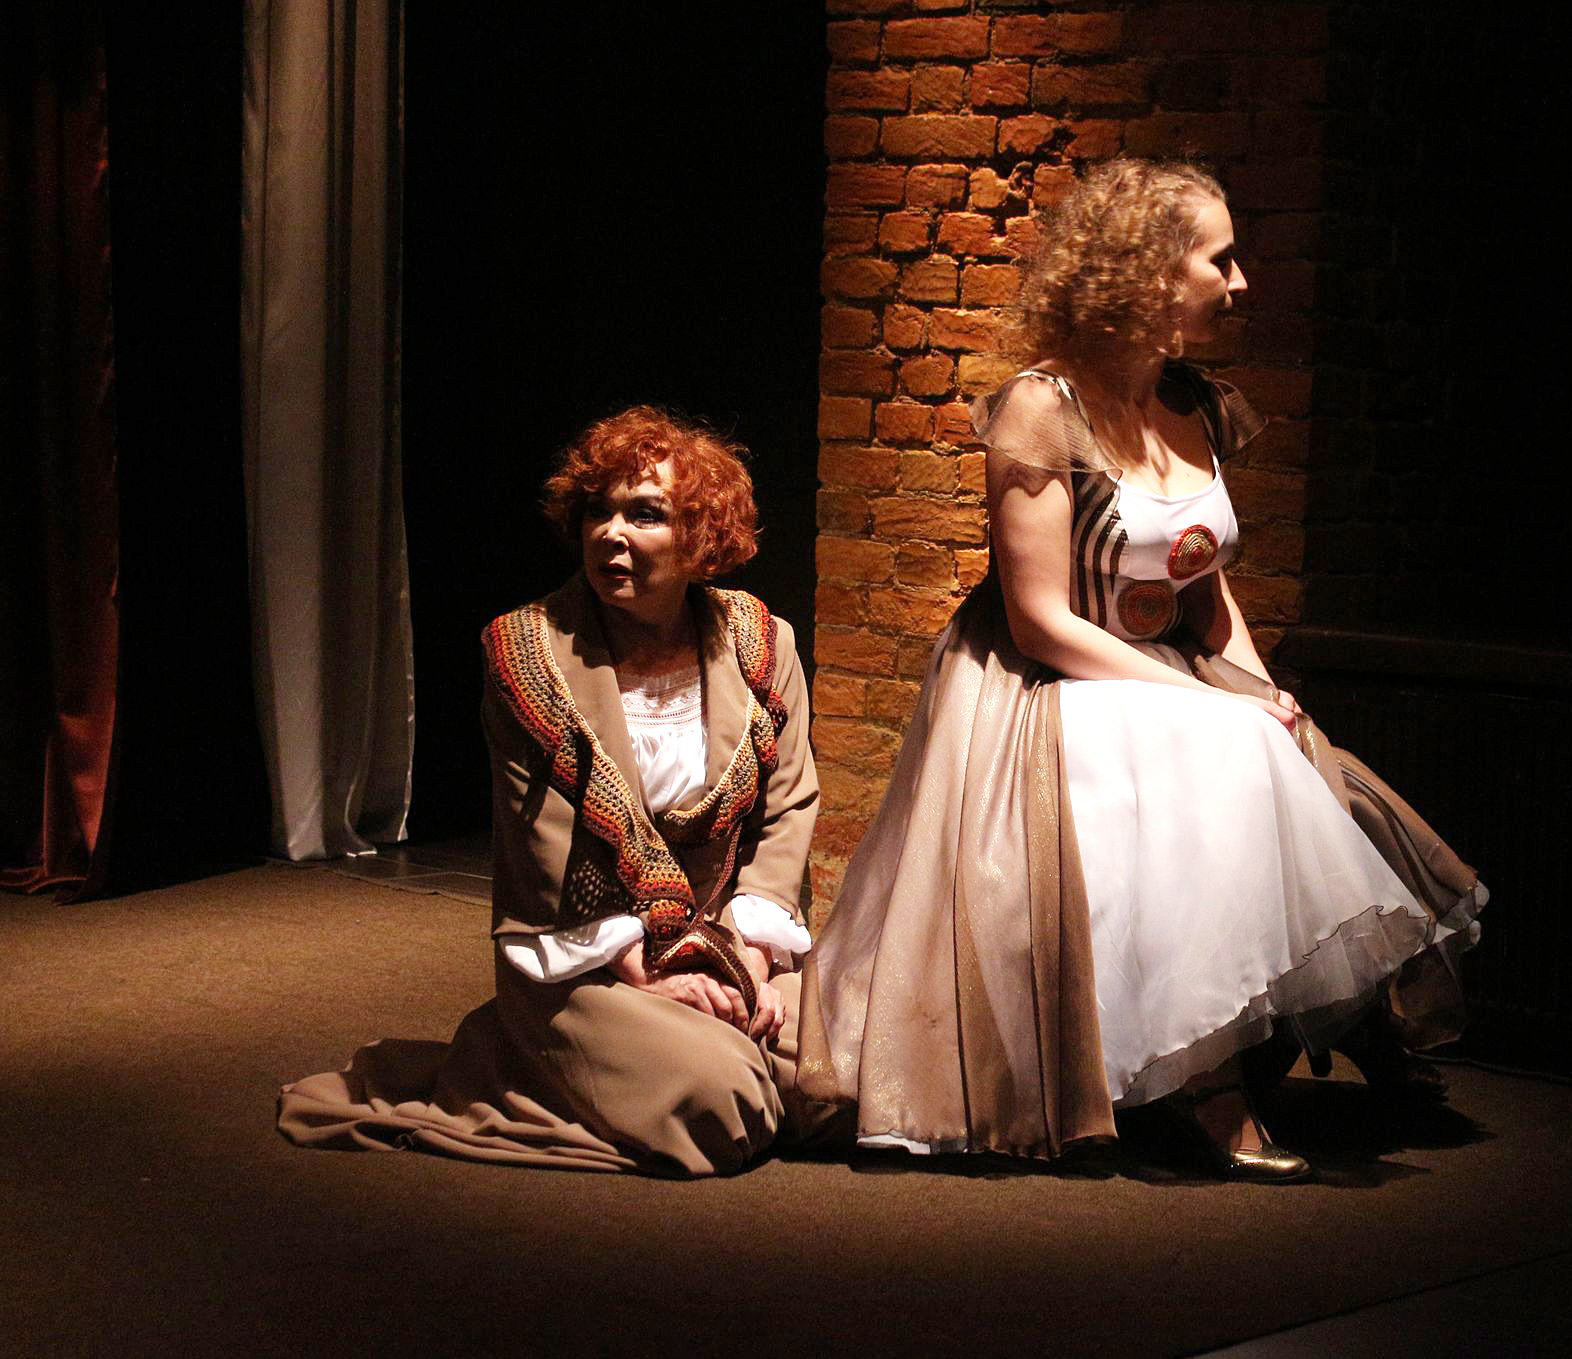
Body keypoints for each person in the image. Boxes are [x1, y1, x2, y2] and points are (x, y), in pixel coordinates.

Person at [799, 160, 1486, 1181]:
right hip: (1053, 681)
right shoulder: (1041, 408)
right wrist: (1201, 703)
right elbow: (1037, 620)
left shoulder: (1193, 403)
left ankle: (1336, 1037)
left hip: (1168, 665)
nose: (1239, 282)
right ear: (1149, 272)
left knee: (1310, 772)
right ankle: (1200, 1088)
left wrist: (1256, 689)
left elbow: (1207, 587)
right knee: (1203, 767)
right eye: (1219, 260)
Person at [279, 407, 845, 1176]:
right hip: (588, 961)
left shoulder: (762, 645)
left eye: (644, 514)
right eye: (597, 511)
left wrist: (751, 959)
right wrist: (655, 976)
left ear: (701, 534)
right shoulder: (528, 654)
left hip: (724, 942)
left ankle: (693, 1053)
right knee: (725, 1101)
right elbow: (539, 852)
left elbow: (789, 809)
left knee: (856, 1077)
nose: (610, 533)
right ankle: (517, 1055)